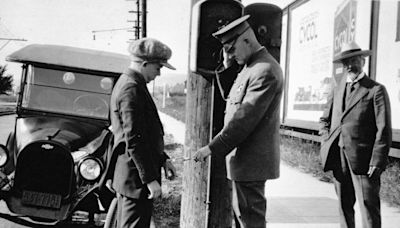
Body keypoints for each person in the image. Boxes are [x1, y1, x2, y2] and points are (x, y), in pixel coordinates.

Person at [193, 15, 283, 228]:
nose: (229, 55)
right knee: (243, 219)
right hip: (243, 163)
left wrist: (211, 148)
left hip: (251, 163)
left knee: (250, 222)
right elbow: (231, 100)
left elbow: (243, 119)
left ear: (247, 41)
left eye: (231, 49)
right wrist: (227, 63)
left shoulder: (265, 70)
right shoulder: (251, 67)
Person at [319, 41, 392, 228]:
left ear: (363, 62)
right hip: (338, 158)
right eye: (346, 62)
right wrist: (326, 140)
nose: (350, 65)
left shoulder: (375, 90)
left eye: (354, 60)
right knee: (344, 206)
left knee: (369, 208)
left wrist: (377, 161)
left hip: (364, 161)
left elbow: (383, 129)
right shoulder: (337, 89)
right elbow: (324, 120)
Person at [109, 37, 177, 227]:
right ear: (145, 64)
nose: (159, 74)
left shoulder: (131, 84)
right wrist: (149, 180)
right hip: (136, 179)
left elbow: (144, 133)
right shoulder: (131, 89)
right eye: (158, 68)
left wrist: (163, 158)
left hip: (132, 177)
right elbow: (134, 139)